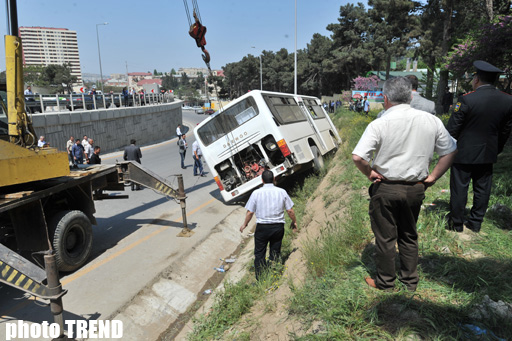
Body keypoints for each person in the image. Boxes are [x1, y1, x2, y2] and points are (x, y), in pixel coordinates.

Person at [352, 77, 457, 292]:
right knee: (409, 234)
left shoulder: (379, 123)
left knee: (385, 237)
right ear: (410, 96)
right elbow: (450, 150)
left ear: (386, 98)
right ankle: (410, 282)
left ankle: (386, 282)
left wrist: (370, 173)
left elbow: (358, 157)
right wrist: (433, 176)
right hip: (416, 188)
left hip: (386, 187)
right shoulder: (431, 120)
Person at [446, 60, 512, 233]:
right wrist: (496, 148)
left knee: (460, 187)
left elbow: (452, 129)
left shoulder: (467, 99)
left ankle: (456, 223)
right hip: (488, 151)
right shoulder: (508, 100)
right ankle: (475, 223)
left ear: (476, 79)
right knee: (483, 188)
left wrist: (447, 150)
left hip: (464, 151)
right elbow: (506, 130)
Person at [239, 170, 297, 280]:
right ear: (274, 179)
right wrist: (294, 222)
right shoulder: (282, 192)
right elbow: (290, 211)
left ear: (262, 180)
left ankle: (261, 279)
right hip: (278, 227)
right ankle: (275, 273)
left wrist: (245, 224)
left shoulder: (256, 193)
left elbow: (250, 212)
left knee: (260, 253)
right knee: (275, 251)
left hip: (262, 227)